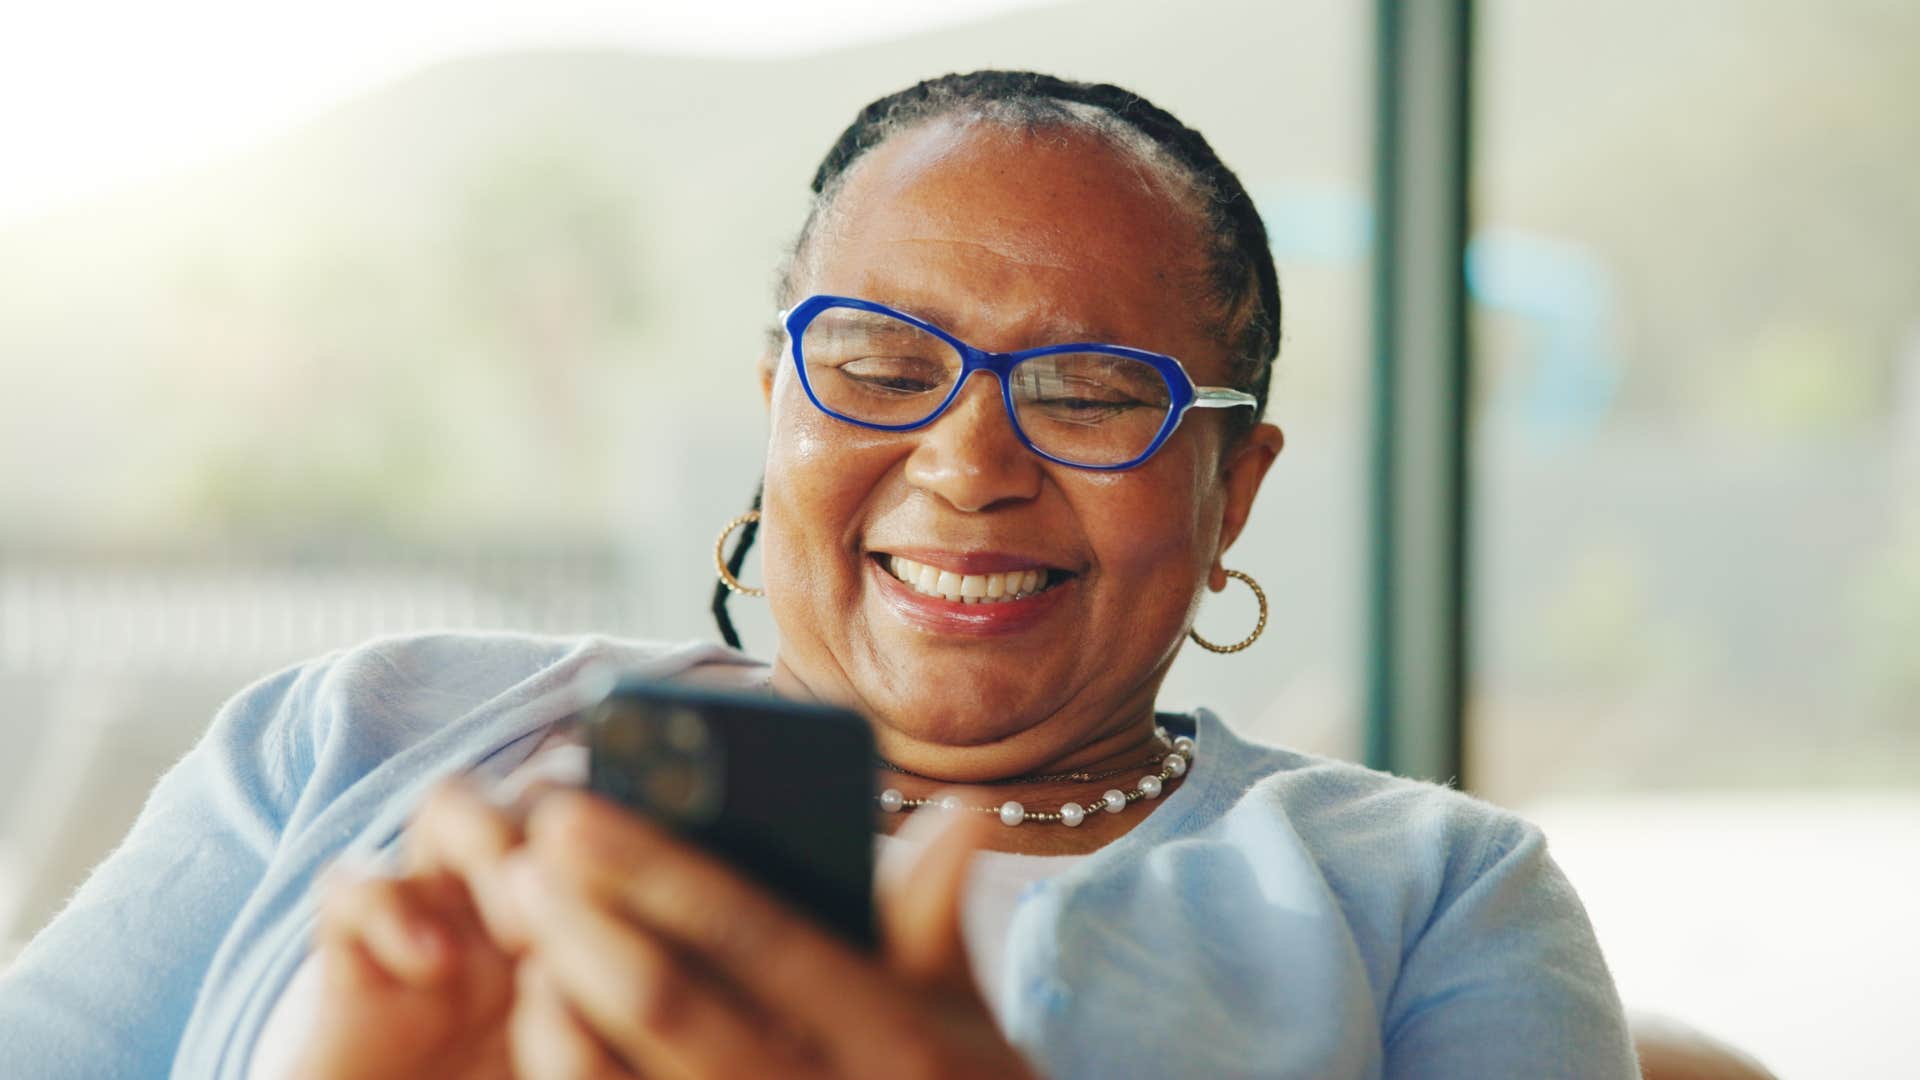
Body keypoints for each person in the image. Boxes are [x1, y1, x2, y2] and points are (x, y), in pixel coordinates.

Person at [0, 70, 1637, 1078]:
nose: (969, 462)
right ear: (777, 407)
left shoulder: (1430, 901)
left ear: (1232, 495)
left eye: (1085, 390)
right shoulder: (368, 731)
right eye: (876, 362)